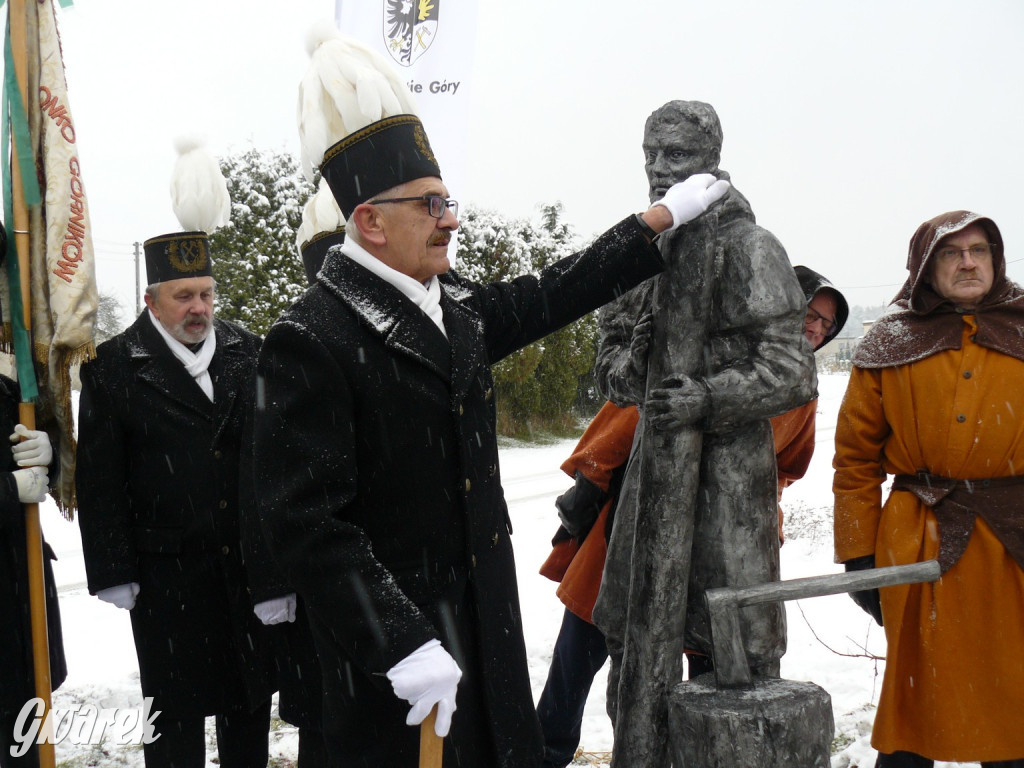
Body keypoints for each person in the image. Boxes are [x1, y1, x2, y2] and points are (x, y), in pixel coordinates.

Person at [251, 105, 730, 767]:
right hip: (398, 661)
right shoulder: (311, 337)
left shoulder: (452, 305)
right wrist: (398, 639)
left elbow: (549, 294)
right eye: (429, 204)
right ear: (370, 222)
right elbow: (304, 522)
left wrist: (654, 224)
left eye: (448, 200)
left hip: (483, 632)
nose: (450, 218)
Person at [536, 265, 847, 767]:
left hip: (724, 551)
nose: (815, 329)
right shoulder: (709, 361)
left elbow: (788, 464)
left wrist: (761, 508)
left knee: (714, 665)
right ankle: (545, 753)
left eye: (826, 325)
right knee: (588, 648)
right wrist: (589, 483)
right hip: (636, 531)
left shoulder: (799, 388)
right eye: (810, 314)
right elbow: (622, 423)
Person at [591, 100, 817, 739]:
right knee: (634, 642)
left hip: (728, 479)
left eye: (677, 156)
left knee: (735, 654)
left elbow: (790, 370)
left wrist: (710, 396)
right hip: (652, 473)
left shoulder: (751, 248)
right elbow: (608, 358)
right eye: (651, 156)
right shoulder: (641, 251)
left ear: (711, 160)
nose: (660, 170)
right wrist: (630, 366)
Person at [76, 226, 276, 768]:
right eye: (183, 296)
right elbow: (99, 479)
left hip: (242, 571)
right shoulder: (113, 365)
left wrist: (275, 573)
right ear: (151, 299)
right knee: (172, 717)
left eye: (207, 294)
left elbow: (269, 467)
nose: (199, 308)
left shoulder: (250, 352)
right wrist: (114, 568)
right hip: (166, 578)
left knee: (248, 707)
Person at [833, 210, 1024, 768]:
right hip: (920, 539)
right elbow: (856, 458)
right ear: (926, 267)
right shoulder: (890, 341)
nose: (968, 262)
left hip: (1014, 541)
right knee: (916, 691)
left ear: (996, 258)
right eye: (952, 252)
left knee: (1011, 688)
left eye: (979, 250)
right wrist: (858, 556)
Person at [0, 371, 64, 768]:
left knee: (23, 738)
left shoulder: (7, 393)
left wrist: (47, 454)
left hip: (18, 596)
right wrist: (9, 489)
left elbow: (38, 479)